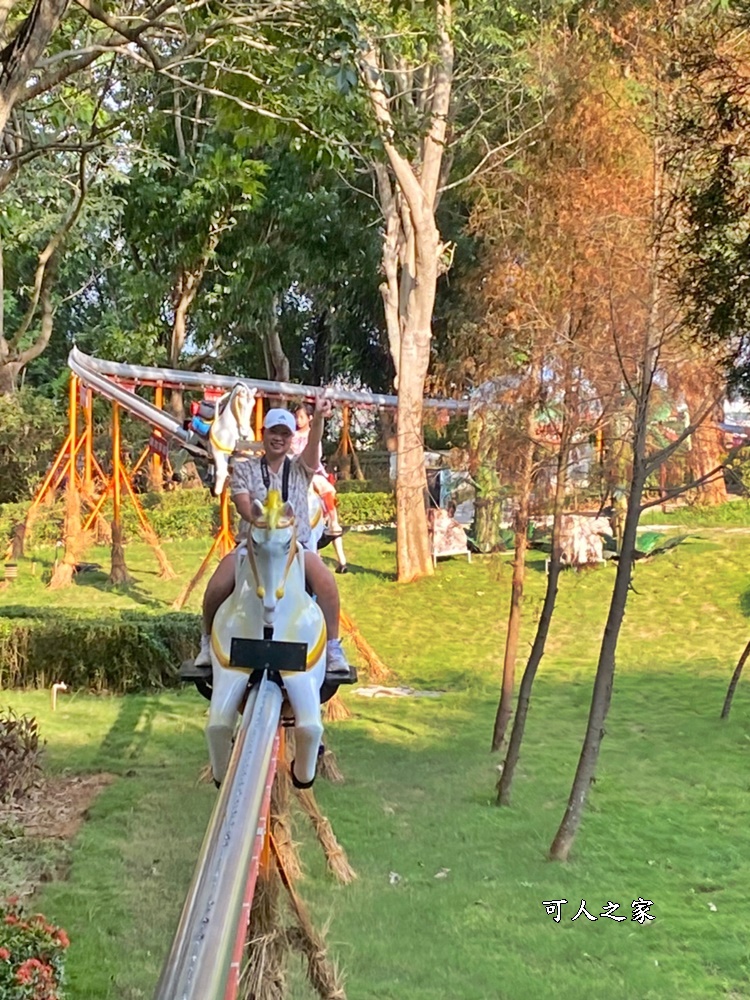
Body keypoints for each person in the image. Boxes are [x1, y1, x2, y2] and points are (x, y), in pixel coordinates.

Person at [194, 396, 354, 680]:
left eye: (285, 434)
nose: (279, 438)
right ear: (264, 435)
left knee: (327, 583)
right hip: (254, 544)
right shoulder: (245, 468)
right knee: (218, 584)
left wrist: (317, 419)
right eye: (274, 432)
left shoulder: (301, 468)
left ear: (292, 438)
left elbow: (314, 451)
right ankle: (206, 642)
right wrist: (257, 519)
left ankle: (332, 648)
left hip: (296, 546)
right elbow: (242, 503)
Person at [291, 402, 348, 574]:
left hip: (312, 471)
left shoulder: (312, 435)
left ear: (310, 418)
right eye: (296, 417)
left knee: (324, 488)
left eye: (301, 417)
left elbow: (315, 454)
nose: (298, 420)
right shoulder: (291, 435)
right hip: (295, 472)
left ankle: (333, 523)